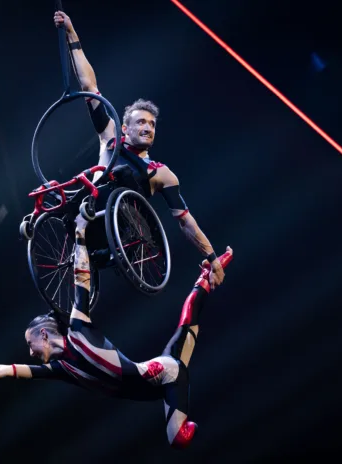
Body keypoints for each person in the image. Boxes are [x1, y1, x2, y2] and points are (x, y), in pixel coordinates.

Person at [0, 216, 233, 449]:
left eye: (30, 343)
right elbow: (9, 371)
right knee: (186, 327)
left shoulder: (77, 328)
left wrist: (79, 235)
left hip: (162, 374)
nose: (30, 352)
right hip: (156, 384)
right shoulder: (61, 369)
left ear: (45, 335)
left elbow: (81, 278)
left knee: (179, 439)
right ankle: (206, 279)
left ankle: (207, 276)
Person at [53, 10, 226, 290]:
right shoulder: (111, 138)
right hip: (92, 213)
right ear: (125, 129)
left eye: (152, 124)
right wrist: (72, 33)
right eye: (141, 122)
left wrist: (212, 258)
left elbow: (187, 223)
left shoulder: (162, 174)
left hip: (125, 228)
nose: (147, 128)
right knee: (82, 182)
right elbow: (89, 86)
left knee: (122, 175)